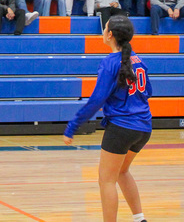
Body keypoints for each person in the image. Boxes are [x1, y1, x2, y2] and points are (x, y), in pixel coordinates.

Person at [63, 16, 152, 222]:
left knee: (106, 181)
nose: (103, 31)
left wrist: (73, 125)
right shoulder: (138, 59)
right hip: (144, 127)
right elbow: (148, 91)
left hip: (121, 127)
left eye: (105, 28)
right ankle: (139, 219)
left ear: (110, 34)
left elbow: (96, 100)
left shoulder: (109, 63)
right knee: (122, 172)